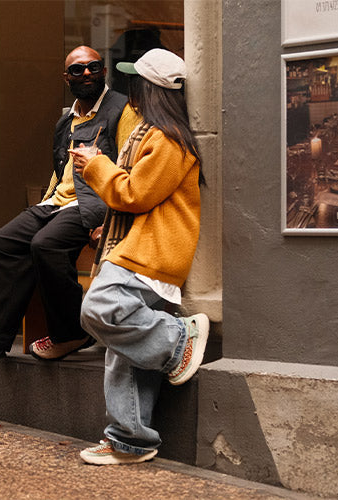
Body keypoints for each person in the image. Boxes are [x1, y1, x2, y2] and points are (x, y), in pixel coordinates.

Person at [0, 46, 141, 368]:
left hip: (97, 203)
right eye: (77, 70)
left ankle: (71, 333)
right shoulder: (66, 120)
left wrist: (112, 218)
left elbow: (131, 168)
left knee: (45, 245)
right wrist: (44, 204)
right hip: (57, 204)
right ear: (66, 78)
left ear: (104, 71)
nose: (86, 73)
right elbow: (60, 170)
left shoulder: (123, 109)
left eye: (93, 67)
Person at [71, 48, 209, 464]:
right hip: (139, 249)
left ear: (149, 89)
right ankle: (131, 439)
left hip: (150, 254)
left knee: (97, 308)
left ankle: (177, 340)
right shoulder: (150, 133)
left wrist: (96, 165)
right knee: (125, 355)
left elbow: (134, 194)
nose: (129, 89)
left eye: (136, 82)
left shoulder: (167, 139)